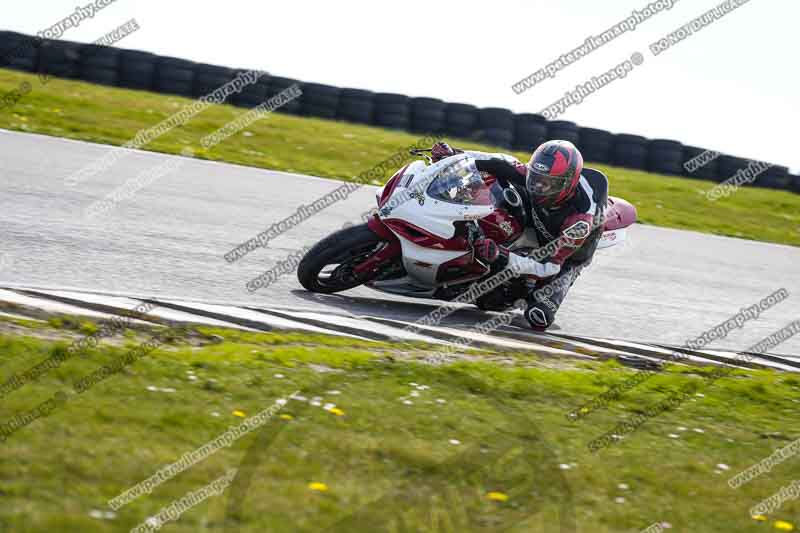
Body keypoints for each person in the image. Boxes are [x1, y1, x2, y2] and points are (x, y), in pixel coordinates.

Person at [430, 140, 608, 331]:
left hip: (565, 255)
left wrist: (501, 255)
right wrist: (454, 155)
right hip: (539, 218)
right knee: (496, 182)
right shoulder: (538, 178)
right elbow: (498, 161)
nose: (538, 187)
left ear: (567, 184)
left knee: (538, 316)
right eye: (535, 178)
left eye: (548, 184)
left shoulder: (580, 220)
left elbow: (548, 266)